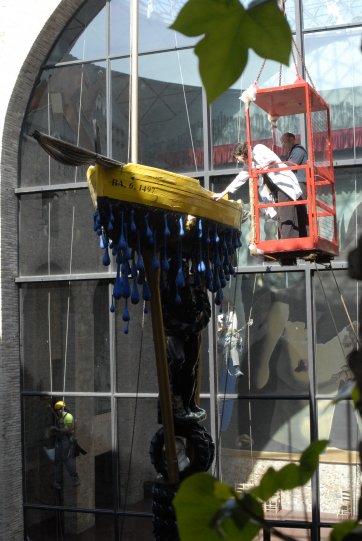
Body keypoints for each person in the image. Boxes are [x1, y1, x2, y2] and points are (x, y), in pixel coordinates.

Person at [213, 142, 307, 239]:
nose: (238, 161)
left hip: (283, 184)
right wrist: (223, 193)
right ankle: (291, 239)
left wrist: (257, 169)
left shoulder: (258, 149)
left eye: (237, 158)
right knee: (282, 215)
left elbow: (271, 159)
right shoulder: (249, 164)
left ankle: (290, 241)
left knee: (285, 213)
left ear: (241, 153)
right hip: (275, 189)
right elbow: (239, 179)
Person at [50, 400, 80, 489]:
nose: (58, 412)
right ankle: (57, 481)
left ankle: (75, 478)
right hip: (59, 441)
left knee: (65, 460)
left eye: (59, 410)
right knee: (57, 462)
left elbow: (69, 430)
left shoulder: (69, 417)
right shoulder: (59, 418)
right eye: (57, 411)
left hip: (66, 441)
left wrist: (56, 429)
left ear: (63, 408)